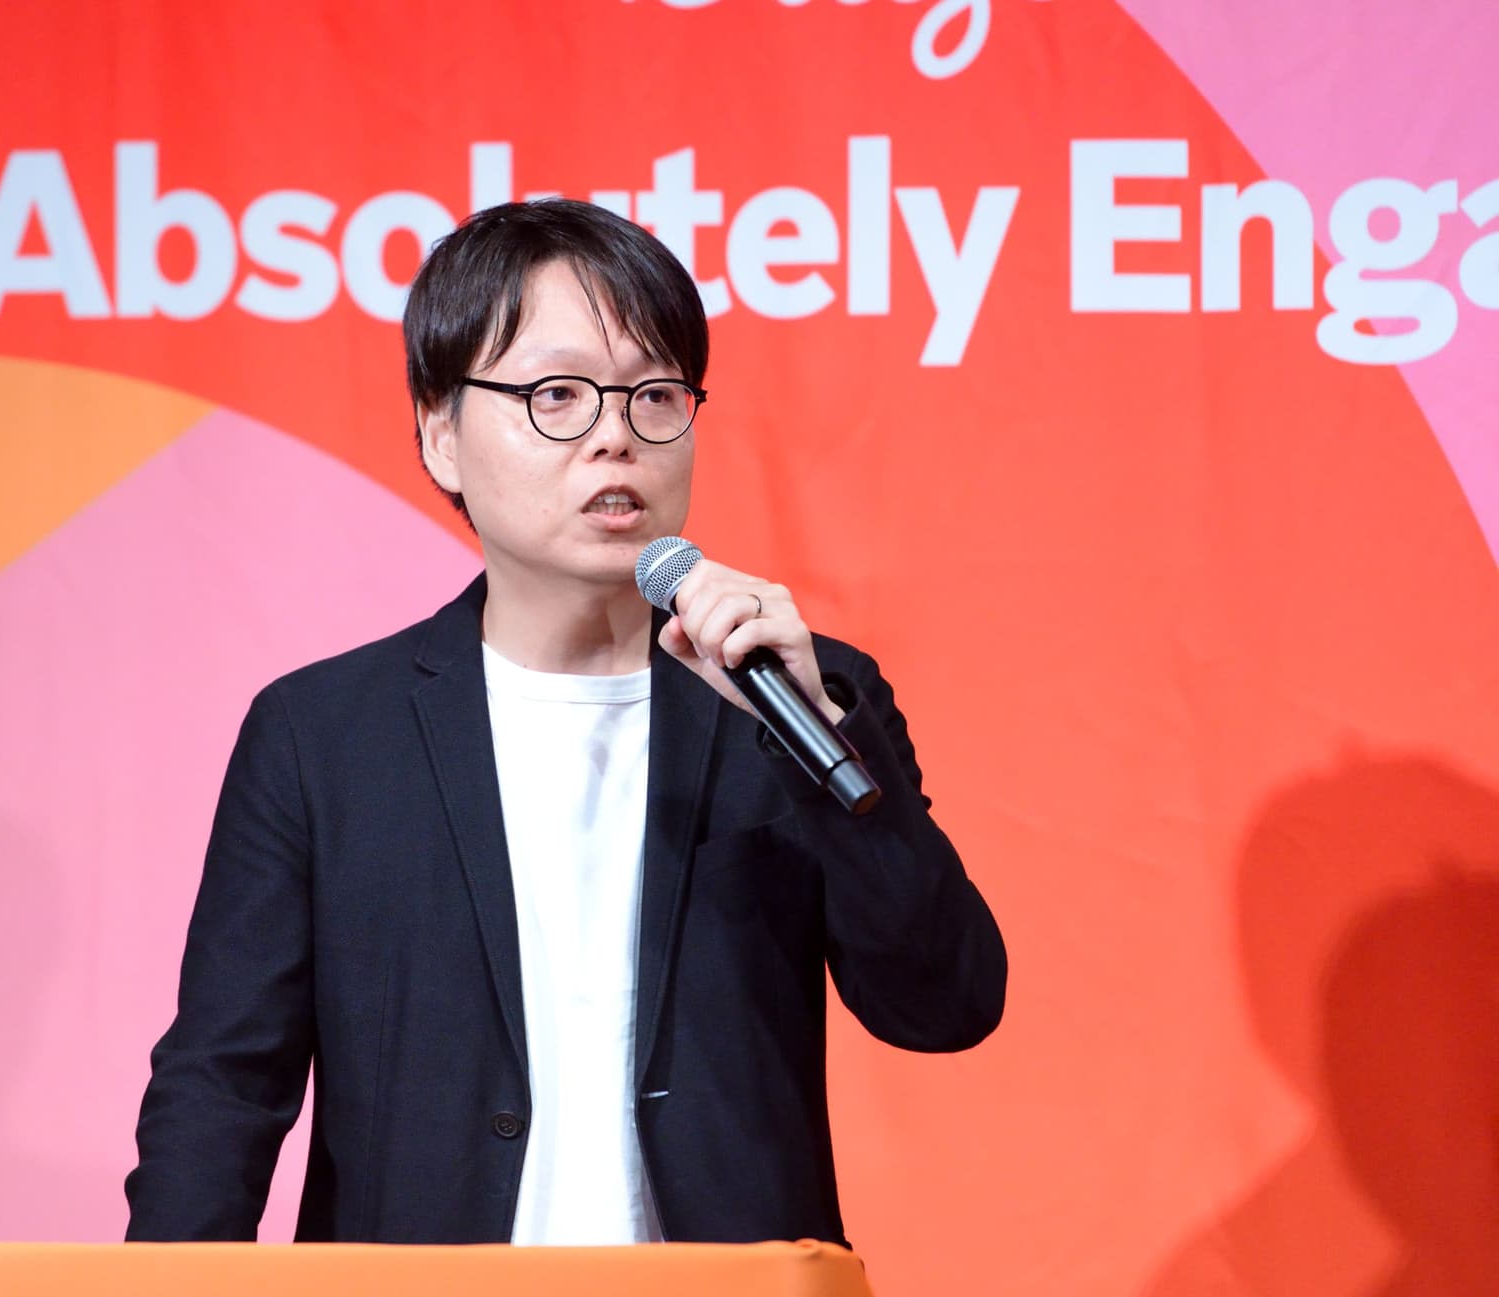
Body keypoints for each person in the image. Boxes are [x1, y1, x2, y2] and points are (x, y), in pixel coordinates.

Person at [123, 199, 1006, 1246]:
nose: (614, 436)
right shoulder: (322, 735)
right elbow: (223, 1084)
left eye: (654, 394)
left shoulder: (799, 691)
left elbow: (943, 1005)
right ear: (440, 434)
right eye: (556, 395)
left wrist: (825, 749)